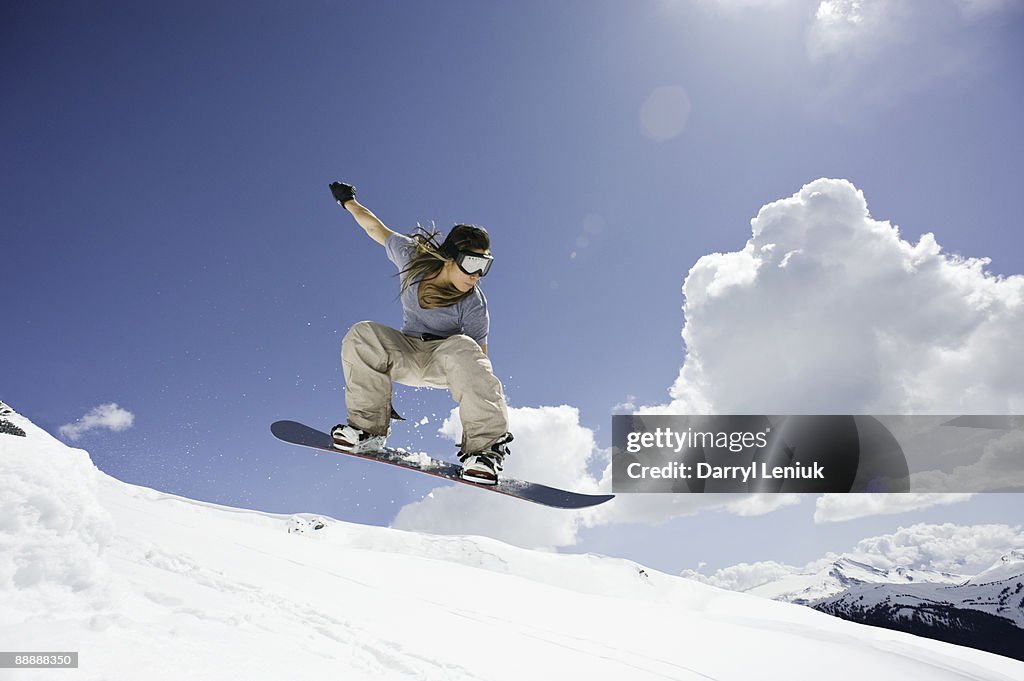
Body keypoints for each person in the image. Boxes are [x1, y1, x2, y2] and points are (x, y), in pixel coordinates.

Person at [327, 181, 513, 485]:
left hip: (447, 362)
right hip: (408, 353)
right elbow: (375, 228)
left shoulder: (474, 302)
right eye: (471, 264)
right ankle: (367, 431)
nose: (477, 275)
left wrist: (481, 409)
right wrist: (348, 201)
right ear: (450, 257)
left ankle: (484, 452)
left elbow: (480, 363)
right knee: (362, 334)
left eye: (485, 266)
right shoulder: (412, 258)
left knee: (464, 347)